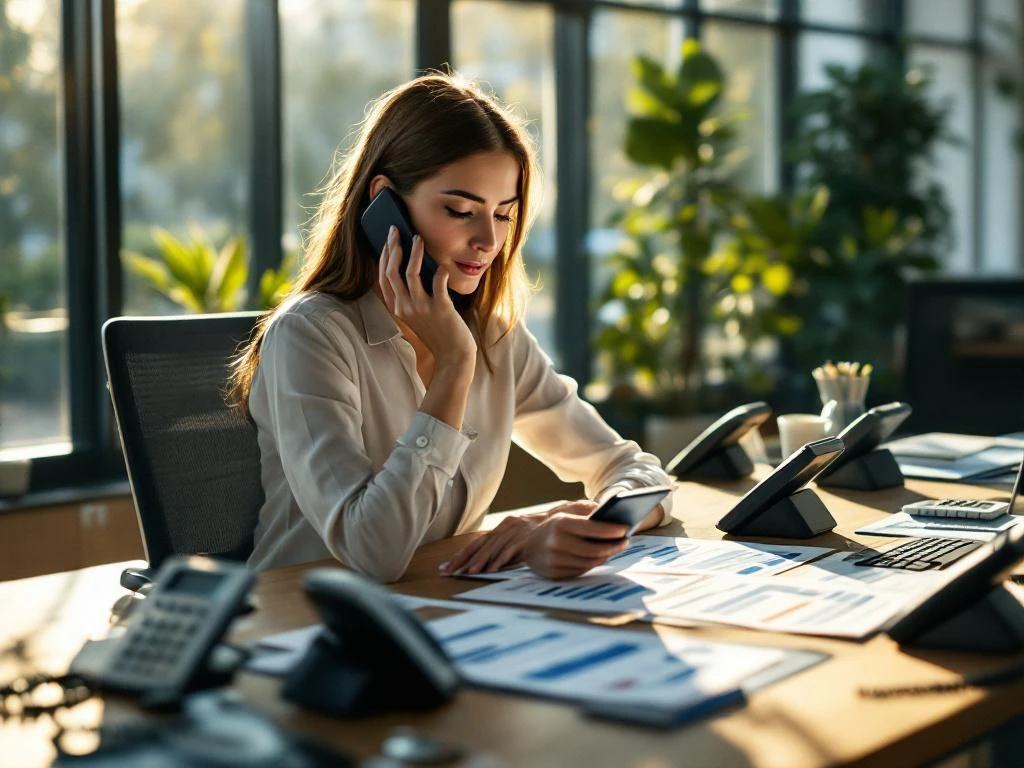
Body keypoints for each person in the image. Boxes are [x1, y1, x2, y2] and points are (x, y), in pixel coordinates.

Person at [229, 73, 674, 584]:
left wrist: (576, 524)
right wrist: (455, 367)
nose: (488, 240)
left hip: (441, 601)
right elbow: (372, 552)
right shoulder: (309, 337)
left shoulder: (494, 336)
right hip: (306, 613)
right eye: (461, 211)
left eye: (503, 215)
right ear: (385, 204)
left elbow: (636, 473)